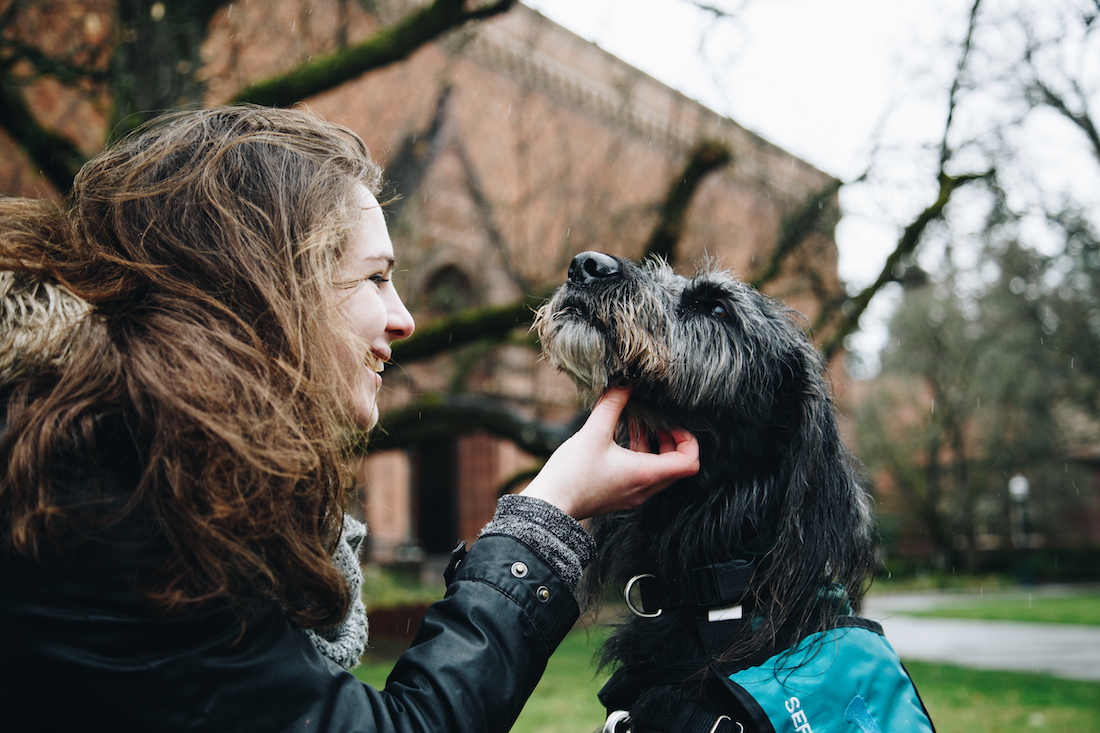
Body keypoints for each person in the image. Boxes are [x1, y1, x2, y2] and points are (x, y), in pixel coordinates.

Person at [0, 105, 699, 732]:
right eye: (375, 277)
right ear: (271, 290)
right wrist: (548, 513)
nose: (406, 319)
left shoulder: (112, 459)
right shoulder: (114, 503)